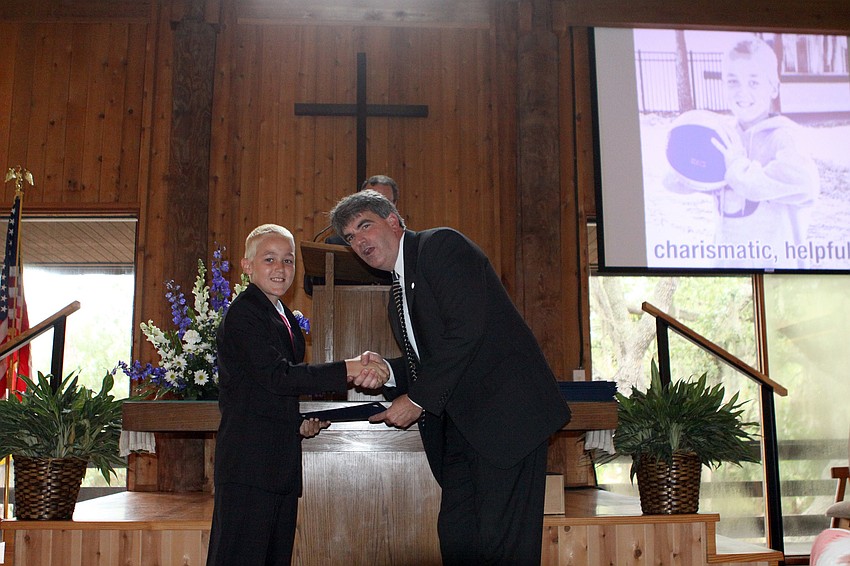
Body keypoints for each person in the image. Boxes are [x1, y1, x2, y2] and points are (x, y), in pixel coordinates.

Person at [329, 191, 571, 565]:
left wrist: (416, 400)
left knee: (503, 549)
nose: (359, 241)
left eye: (365, 226)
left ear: (393, 221)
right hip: (460, 430)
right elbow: (431, 359)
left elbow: (466, 330)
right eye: (349, 237)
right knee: (458, 539)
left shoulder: (440, 246)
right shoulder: (396, 296)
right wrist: (389, 371)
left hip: (506, 423)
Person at [206, 223, 389, 566]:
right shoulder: (244, 313)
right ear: (247, 266)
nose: (280, 268)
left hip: (278, 466)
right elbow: (278, 377)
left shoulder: (285, 317)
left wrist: (298, 422)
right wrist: (347, 369)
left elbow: (267, 394)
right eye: (269, 259)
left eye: (288, 260)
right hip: (249, 467)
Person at [665, 36, 820, 269]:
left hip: (776, 272)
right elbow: (676, 180)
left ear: (774, 88)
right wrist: (684, 165)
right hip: (729, 269)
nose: (742, 91)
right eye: (733, 81)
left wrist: (738, 168)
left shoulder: (784, 138)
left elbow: (806, 185)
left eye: (754, 82)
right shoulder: (722, 135)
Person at [304, 174, 399, 294]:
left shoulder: (402, 243)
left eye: (382, 201)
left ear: (394, 204)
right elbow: (312, 287)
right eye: (368, 201)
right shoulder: (336, 244)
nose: (374, 207)